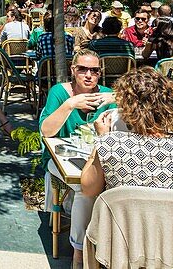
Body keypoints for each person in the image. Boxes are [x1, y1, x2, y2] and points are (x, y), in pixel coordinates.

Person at [39, 50, 117, 266]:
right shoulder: (60, 93)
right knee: (85, 188)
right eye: (82, 69)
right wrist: (70, 104)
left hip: (98, 159)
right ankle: (79, 253)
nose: (88, 75)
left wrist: (116, 97)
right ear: (74, 71)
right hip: (61, 160)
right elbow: (46, 131)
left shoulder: (107, 95)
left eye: (94, 70)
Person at [80, 68, 173, 196]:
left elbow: (88, 190)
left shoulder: (111, 145)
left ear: (126, 108)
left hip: (124, 217)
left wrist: (102, 141)